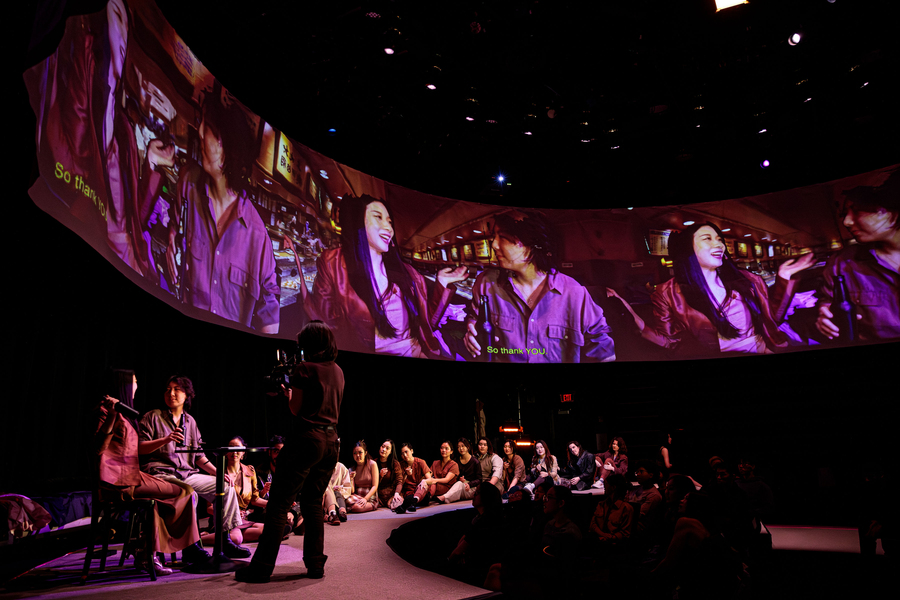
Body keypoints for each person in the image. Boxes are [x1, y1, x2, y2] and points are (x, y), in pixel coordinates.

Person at [27, 0, 174, 280]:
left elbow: (135, 219)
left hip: (131, 266)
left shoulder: (125, 132)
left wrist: (152, 164)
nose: (122, 32)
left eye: (125, 25)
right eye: (116, 17)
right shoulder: (82, 91)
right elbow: (70, 157)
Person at [236, 321, 343, 583]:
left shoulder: (304, 368)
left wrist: (289, 394)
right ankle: (316, 564)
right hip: (332, 442)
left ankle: (261, 567)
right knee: (313, 503)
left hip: (308, 439)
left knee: (278, 504)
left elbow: (297, 409)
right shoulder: (339, 371)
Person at [168, 90, 279, 333]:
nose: (198, 133)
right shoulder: (188, 184)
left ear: (223, 145)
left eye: (205, 127)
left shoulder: (258, 237)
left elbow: (269, 316)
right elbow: (173, 230)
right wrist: (171, 239)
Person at [301, 194, 467, 356]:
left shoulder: (408, 274)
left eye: (389, 222)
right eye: (378, 217)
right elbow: (325, 325)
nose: (389, 228)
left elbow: (426, 325)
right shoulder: (334, 264)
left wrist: (442, 283)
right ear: (359, 221)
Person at [615, 222, 813, 357]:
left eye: (719, 239)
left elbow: (773, 319)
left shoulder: (746, 280)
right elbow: (670, 342)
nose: (718, 244)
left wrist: (785, 277)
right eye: (707, 238)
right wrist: (638, 323)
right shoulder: (667, 293)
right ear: (688, 249)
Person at [463, 210, 616, 363]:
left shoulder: (574, 293)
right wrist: (471, 331)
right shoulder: (485, 284)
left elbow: (601, 346)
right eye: (494, 237)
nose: (494, 244)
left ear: (534, 245)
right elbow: (474, 318)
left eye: (503, 237)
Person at [96, 369, 205, 574]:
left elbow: (199, 455)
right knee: (186, 492)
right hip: (119, 480)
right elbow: (99, 448)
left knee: (160, 500)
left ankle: (147, 552)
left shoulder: (127, 413)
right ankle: (181, 548)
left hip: (133, 475)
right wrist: (111, 416)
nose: (137, 385)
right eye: (135, 381)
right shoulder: (108, 411)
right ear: (126, 384)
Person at [139, 375, 249, 559]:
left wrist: (218, 474)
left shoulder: (190, 421)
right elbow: (140, 448)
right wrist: (165, 440)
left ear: (187, 395)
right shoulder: (153, 417)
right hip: (162, 474)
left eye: (176, 389)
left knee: (226, 487)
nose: (171, 393)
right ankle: (191, 547)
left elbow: (198, 456)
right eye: (168, 389)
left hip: (187, 474)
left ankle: (224, 541)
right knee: (189, 493)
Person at [817, 170, 900, 341]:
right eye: (845, 213)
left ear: (894, 209)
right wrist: (825, 315)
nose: (846, 222)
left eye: (858, 209)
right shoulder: (839, 264)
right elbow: (827, 301)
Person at [200, 436, 267, 545]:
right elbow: (209, 508)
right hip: (224, 520)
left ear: (243, 452)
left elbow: (255, 500)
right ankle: (197, 541)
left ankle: (232, 536)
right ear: (226, 452)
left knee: (269, 529)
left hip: (242, 520)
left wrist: (275, 504)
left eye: (237, 448)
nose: (234, 451)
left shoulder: (250, 471)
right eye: (230, 448)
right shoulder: (217, 473)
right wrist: (233, 513)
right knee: (236, 539)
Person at [439, 438, 481, 504]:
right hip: (460, 486)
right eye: (458, 447)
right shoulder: (456, 461)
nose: (461, 449)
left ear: (468, 447)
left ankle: (444, 497)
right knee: (459, 484)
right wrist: (459, 479)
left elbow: (479, 479)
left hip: (471, 488)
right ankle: (446, 499)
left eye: (463, 446)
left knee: (459, 484)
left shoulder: (475, 462)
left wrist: (469, 484)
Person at [395, 442, 432, 513]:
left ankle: (413, 501)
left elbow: (430, 480)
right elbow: (400, 483)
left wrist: (424, 481)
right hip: (409, 493)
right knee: (408, 498)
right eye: (402, 454)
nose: (405, 455)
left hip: (421, 492)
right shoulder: (401, 465)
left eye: (406, 452)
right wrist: (406, 474)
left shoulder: (421, 462)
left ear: (412, 451)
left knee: (423, 485)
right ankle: (412, 503)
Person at [347, 440, 379, 513]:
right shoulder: (352, 469)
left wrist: (365, 498)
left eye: (360, 452)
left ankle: (351, 508)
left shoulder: (372, 464)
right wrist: (351, 479)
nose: (357, 455)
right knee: (344, 499)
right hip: (357, 496)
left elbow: (375, 486)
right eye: (355, 453)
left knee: (356, 507)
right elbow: (352, 491)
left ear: (365, 453)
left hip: (370, 497)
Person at [375, 439, 404, 509]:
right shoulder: (374, 463)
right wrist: (380, 476)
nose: (384, 449)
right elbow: (372, 484)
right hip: (378, 496)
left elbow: (399, 481)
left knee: (397, 504)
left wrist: (396, 494)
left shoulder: (395, 464)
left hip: (391, 495)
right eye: (383, 446)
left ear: (391, 452)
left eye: (387, 448)